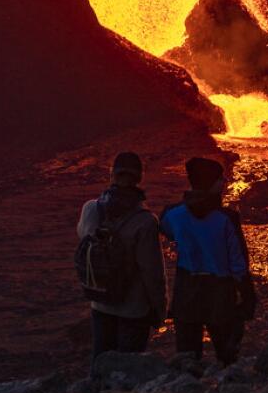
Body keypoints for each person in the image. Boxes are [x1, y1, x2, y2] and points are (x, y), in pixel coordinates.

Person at [160, 157, 255, 364]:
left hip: (187, 291)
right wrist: (248, 296)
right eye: (220, 179)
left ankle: (186, 391)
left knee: (187, 358)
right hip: (219, 292)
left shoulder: (173, 215)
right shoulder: (226, 219)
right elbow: (238, 263)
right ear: (210, 183)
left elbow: (167, 230)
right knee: (227, 356)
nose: (224, 182)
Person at [76, 152, 166, 359]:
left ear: (111, 174)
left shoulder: (91, 209)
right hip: (133, 309)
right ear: (140, 178)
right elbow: (152, 272)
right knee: (128, 367)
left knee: (100, 361)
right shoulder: (145, 221)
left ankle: (95, 390)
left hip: (100, 300)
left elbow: (84, 238)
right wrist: (159, 309)